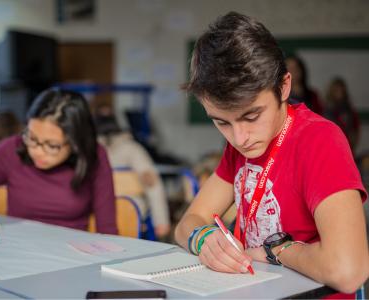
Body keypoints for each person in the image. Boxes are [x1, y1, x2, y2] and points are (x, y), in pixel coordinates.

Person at [174, 11, 368, 295]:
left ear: (284, 86)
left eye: (251, 116)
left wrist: (278, 250)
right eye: (221, 122)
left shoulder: (319, 140)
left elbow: (348, 271)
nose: (239, 138)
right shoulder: (241, 145)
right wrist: (204, 238)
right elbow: (187, 224)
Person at [0, 88, 117, 234]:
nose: (37, 151)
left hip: (74, 255)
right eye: (32, 138)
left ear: (75, 143)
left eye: (51, 145)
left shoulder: (94, 156)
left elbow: (107, 229)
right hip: (18, 251)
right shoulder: (10, 150)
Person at [94, 106, 171, 240]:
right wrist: (161, 221)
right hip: (133, 212)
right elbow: (152, 183)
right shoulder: (132, 148)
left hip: (95, 214)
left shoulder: (89, 150)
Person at [324, 77, 361, 154]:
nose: (339, 93)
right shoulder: (326, 109)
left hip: (347, 147)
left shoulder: (349, 110)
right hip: (330, 147)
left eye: (341, 90)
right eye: (336, 90)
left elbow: (356, 129)